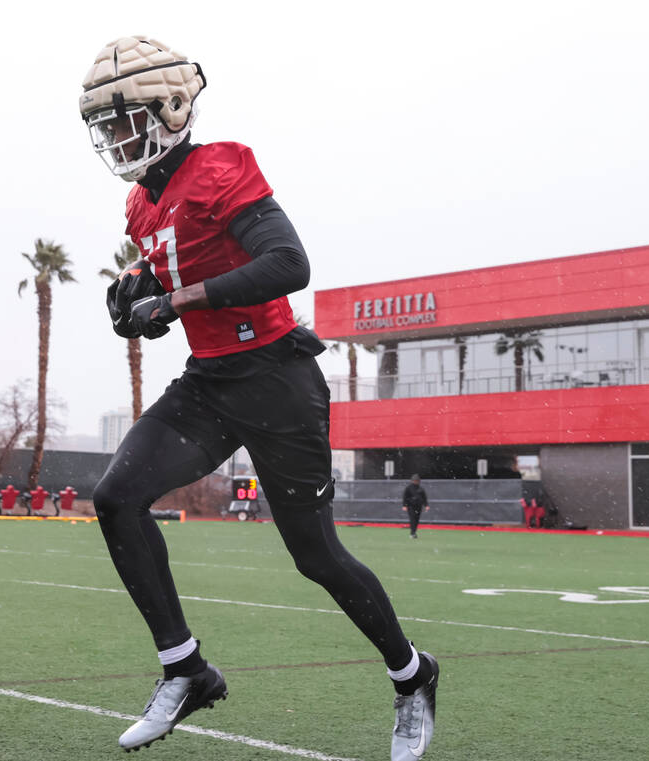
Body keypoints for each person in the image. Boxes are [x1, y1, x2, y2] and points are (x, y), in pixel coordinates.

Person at [78, 37, 439, 760]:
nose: (117, 139)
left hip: (277, 379)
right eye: (107, 126)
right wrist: (132, 302)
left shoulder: (222, 165)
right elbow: (160, 291)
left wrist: (178, 296)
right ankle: (186, 669)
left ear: (173, 107)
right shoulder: (140, 204)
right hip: (211, 383)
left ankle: (412, 674)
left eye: (127, 120)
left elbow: (289, 264)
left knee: (316, 556)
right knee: (116, 497)